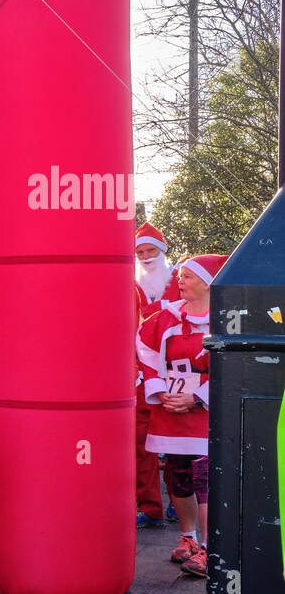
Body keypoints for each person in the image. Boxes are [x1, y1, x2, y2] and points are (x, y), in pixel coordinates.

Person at [136, 254, 225, 578]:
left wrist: (198, 398)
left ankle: (210, 549)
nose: (180, 281)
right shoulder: (166, 318)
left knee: (204, 481)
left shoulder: (225, 319)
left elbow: (231, 365)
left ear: (207, 282)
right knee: (179, 477)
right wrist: (160, 391)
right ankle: (188, 538)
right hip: (171, 409)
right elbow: (145, 350)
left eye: (187, 276)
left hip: (204, 413)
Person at [133, 223, 180, 528]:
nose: (146, 257)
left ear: (162, 251)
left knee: (178, 440)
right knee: (141, 443)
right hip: (141, 372)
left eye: (151, 250)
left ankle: (180, 499)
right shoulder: (130, 285)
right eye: (140, 252)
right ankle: (150, 508)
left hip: (177, 371)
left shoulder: (180, 279)